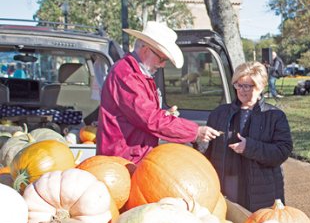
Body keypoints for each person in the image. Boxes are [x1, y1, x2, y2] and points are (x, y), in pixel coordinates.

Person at [96, 21, 220, 163]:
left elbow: (143, 114)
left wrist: (166, 116)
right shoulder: (126, 75)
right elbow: (150, 118)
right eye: (162, 59)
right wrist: (194, 131)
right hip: (122, 160)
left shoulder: (136, 74)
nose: (162, 65)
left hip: (130, 156)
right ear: (146, 50)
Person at [204, 61, 292, 212]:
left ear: (261, 86)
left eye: (249, 86)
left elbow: (282, 151)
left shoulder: (274, 116)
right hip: (227, 185)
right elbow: (206, 152)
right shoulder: (219, 113)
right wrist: (199, 139)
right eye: (239, 85)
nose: (243, 90)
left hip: (262, 191)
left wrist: (249, 147)